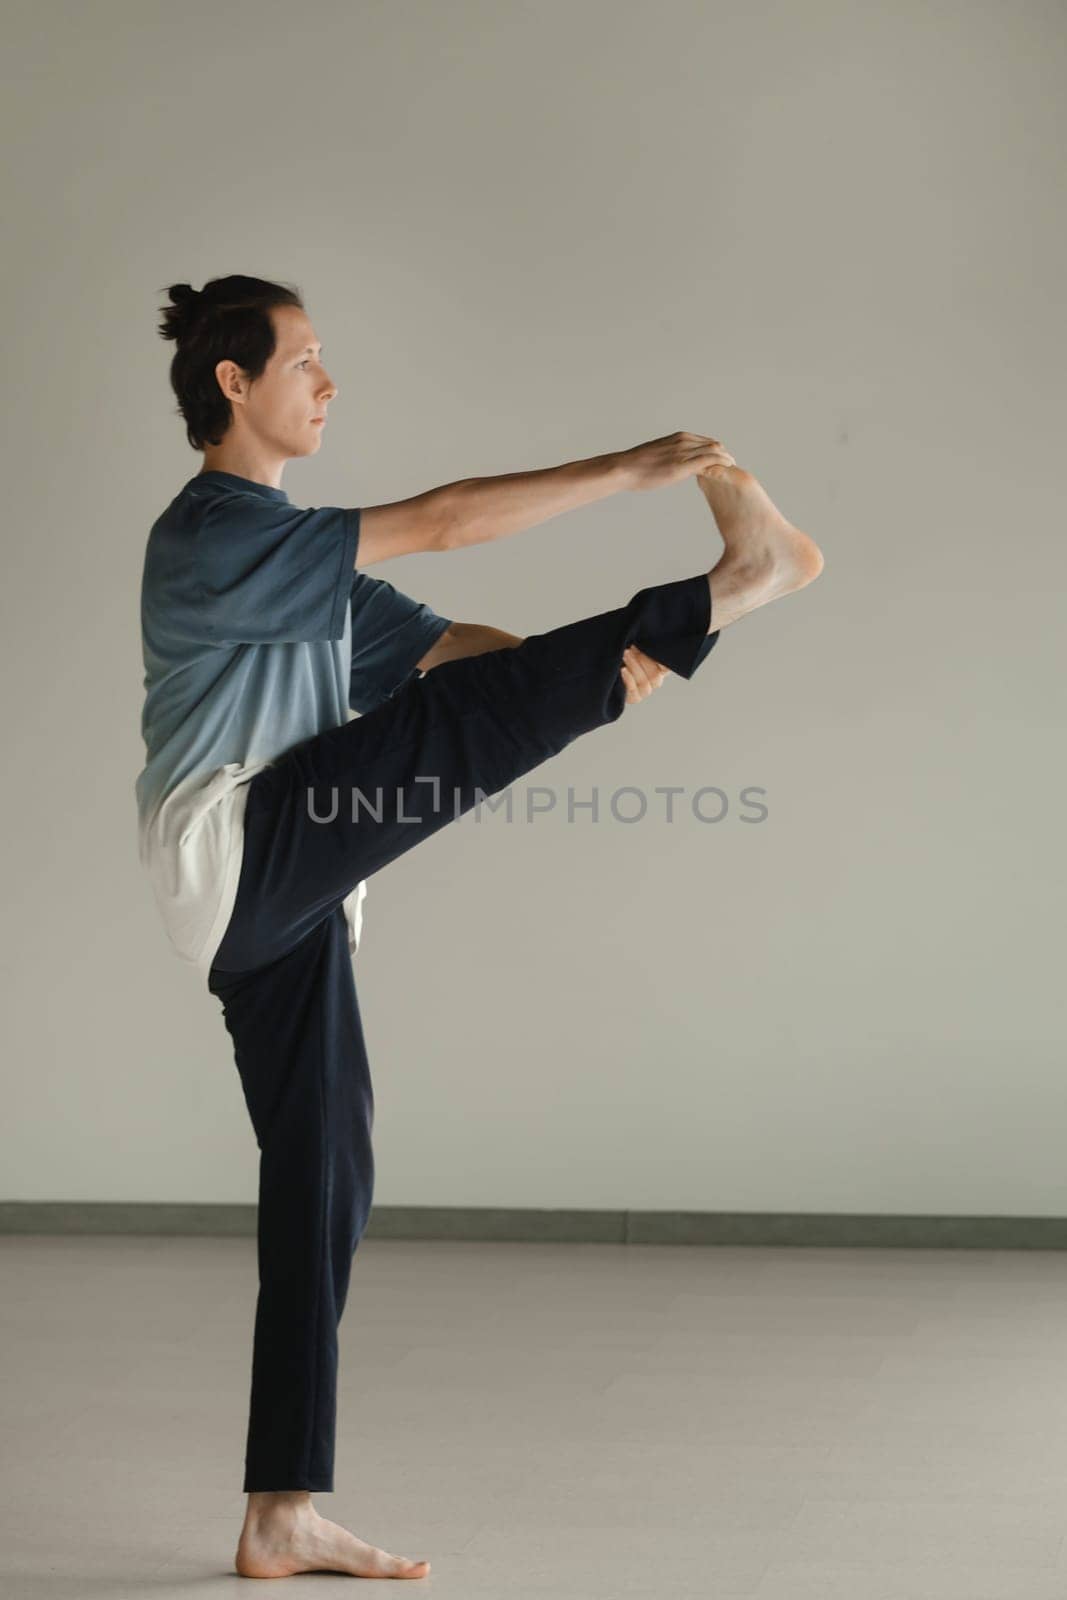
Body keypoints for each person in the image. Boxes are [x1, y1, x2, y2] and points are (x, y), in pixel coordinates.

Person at [135, 273, 824, 1581]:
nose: (328, 382)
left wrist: (612, 678)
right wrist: (630, 473)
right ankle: (741, 582)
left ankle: (281, 1510)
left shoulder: (306, 576)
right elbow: (446, 526)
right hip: (243, 849)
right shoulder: (217, 534)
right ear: (235, 383)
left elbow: (465, 655)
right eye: (307, 360)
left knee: (326, 1175)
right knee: (473, 725)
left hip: (279, 906)